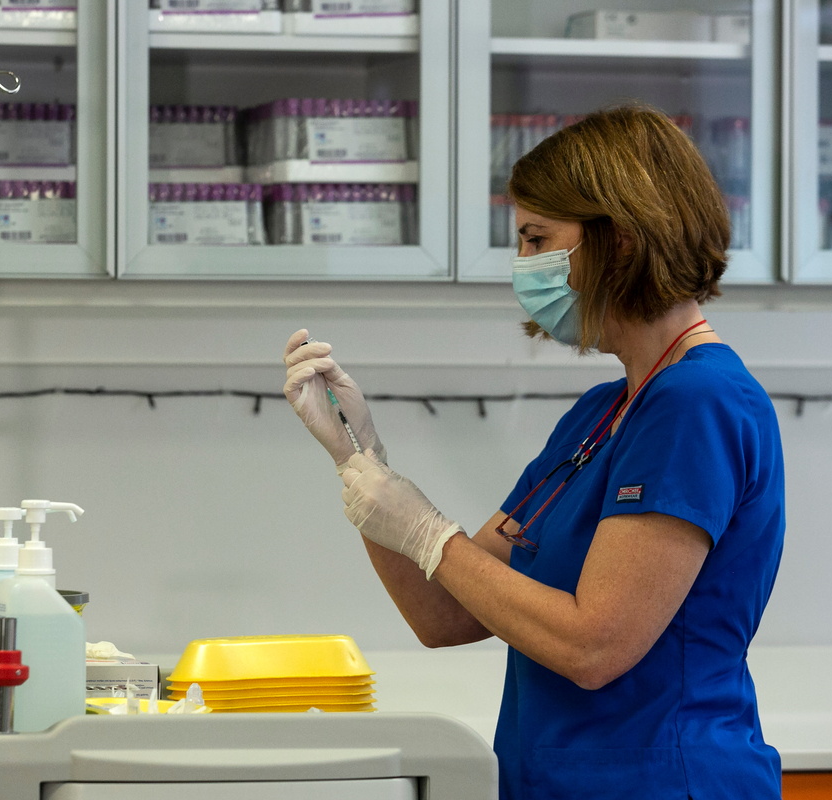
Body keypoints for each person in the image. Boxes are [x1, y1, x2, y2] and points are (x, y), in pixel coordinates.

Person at [282, 103, 784, 799]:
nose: (523, 266)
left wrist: (428, 531)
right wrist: (362, 462)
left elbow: (594, 646)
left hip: (662, 781)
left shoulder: (697, 403)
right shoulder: (602, 413)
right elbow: (445, 614)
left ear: (622, 240)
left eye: (537, 239)